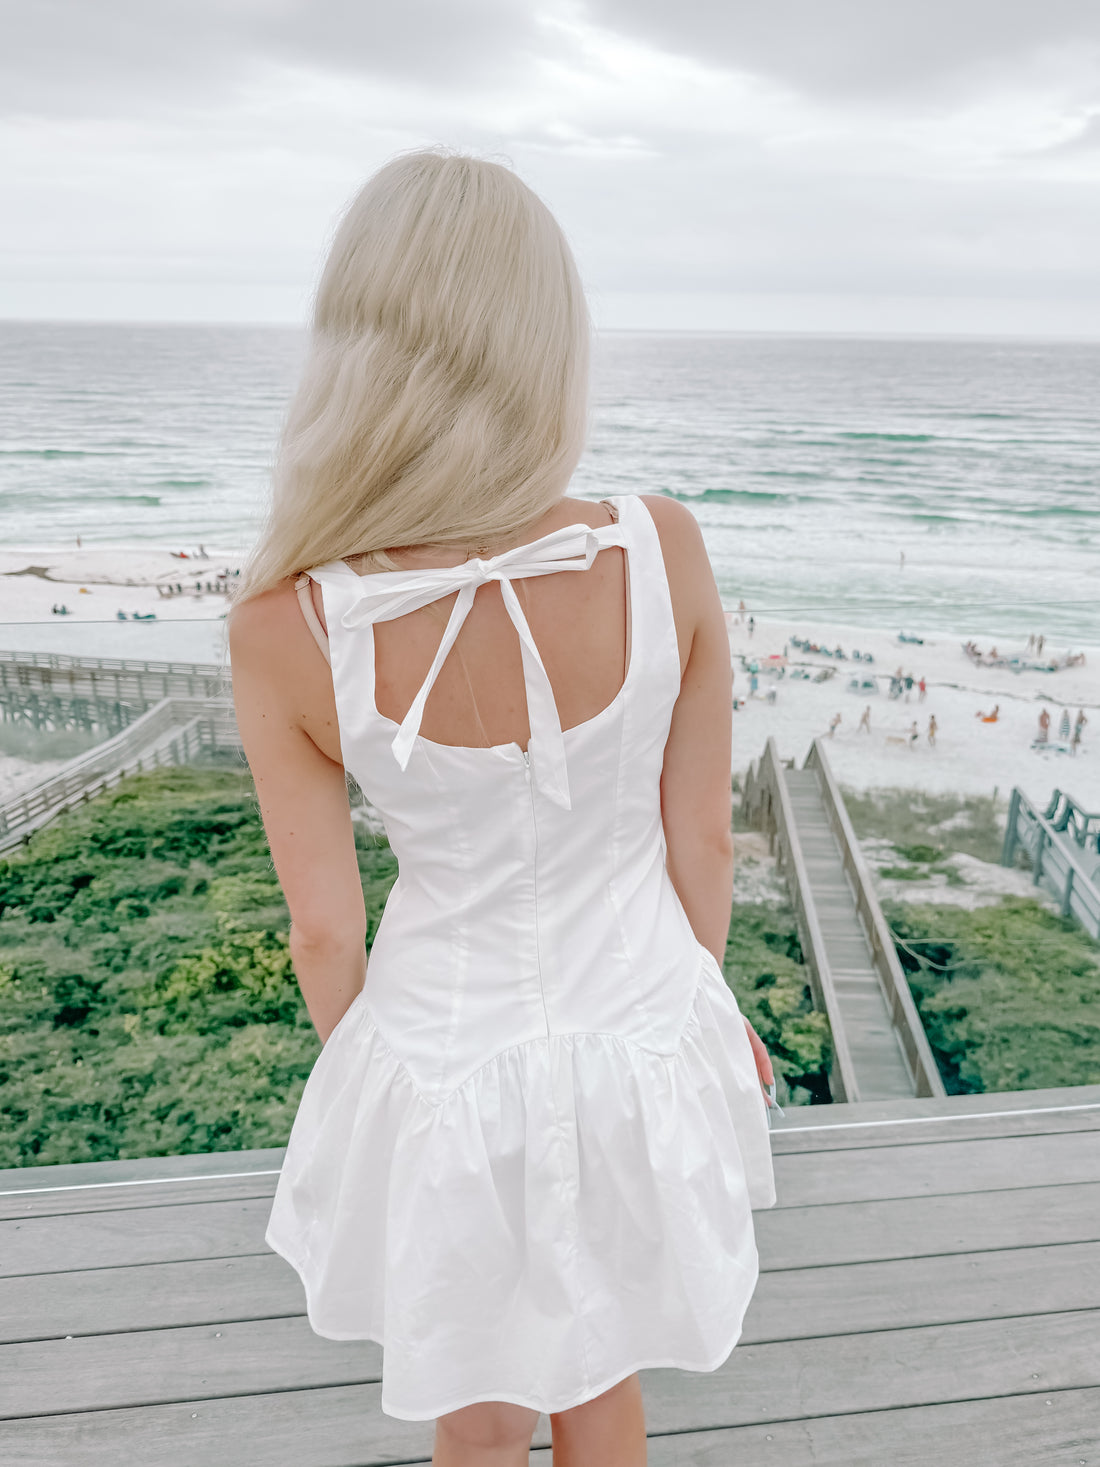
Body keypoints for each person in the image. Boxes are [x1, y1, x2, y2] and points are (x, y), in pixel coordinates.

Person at [227, 151, 776, 1466]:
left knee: (475, 1415)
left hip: (447, 1061)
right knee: (605, 1382)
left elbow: (324, 935)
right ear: (545, 341)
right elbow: (701, 838)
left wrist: (383, 1093)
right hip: (640, 1030)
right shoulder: (660, 543)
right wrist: (690, 1018)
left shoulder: (287, 622)